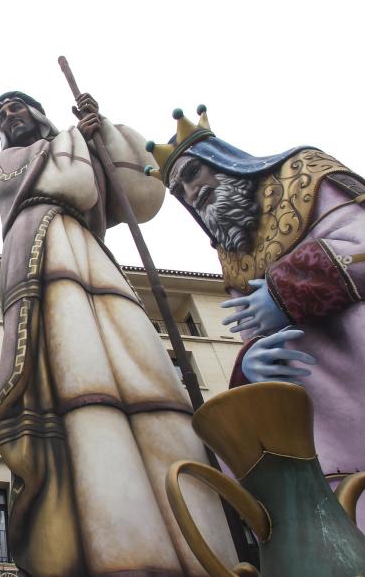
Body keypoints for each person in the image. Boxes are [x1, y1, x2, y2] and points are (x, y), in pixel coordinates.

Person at [0, 91, 236, 576]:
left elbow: (140, 196)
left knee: (143, 378)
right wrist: (77, 139)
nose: (9, 116)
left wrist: (101, 130)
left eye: (17, 106)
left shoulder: (69, 142)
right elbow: (78, 185)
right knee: (77, 381)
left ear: (37, 111)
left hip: (92, 255)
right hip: (41, 259)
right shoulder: (7, 163)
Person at [149, 105, 365, 525]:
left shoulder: (304, 174)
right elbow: (254, 333)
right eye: (180, 192)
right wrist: (250, 364)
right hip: (313, 395)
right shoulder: (233, 256)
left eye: (192, 175)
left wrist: (286, 288)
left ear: (222, 160)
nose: (192, 194)